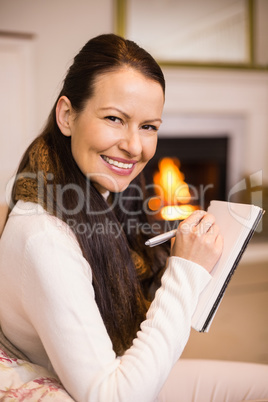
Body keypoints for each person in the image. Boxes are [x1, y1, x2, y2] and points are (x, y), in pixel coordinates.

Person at [0, 33, 267, 402]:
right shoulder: (44, 237)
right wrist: (185, 272)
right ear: (66, 115)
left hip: (118, 369)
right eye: (114, 118)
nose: (135, 146)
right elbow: (112, 397)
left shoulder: (101, 196)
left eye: (148, 126)